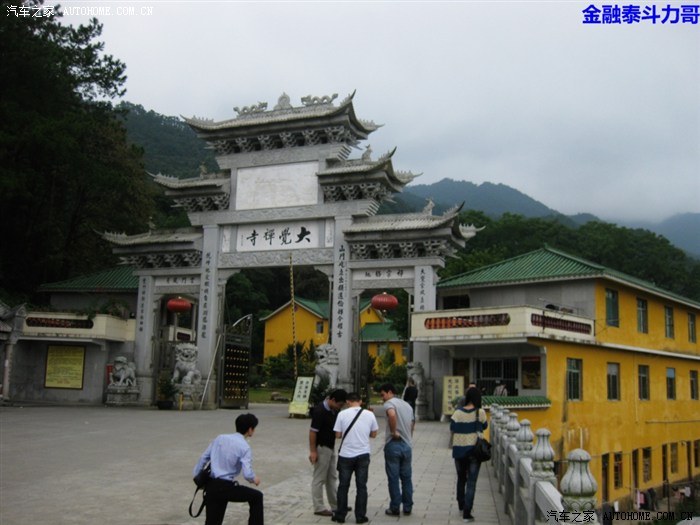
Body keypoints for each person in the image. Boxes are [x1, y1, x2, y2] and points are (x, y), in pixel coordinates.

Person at [193, 413, 263, 525]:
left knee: (212, 522)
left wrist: (197, 476)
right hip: (226, 487)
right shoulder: (244, 447)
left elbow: (204, 457)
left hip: (211, 485)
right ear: (250, 429)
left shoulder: (220, 438)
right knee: (257, 497)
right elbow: (247, 474)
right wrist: (254, 479)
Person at [332, 392, 379, 524]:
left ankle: (341, 515)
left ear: (348, 401)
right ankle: (360, 516)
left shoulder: (342, 414)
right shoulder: (370, 414)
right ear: (360, 401)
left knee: (343, 486)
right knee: (361, 486)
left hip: (346, 455)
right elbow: (374, 434)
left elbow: (338, 435)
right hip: (363, 454)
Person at [450, 387, 488, 523]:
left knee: (461, 478)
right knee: (471, 482)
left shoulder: (457, 413)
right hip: (474, 452)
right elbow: (485, 426)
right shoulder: (480, 412)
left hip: (459, 451)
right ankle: (467, 513)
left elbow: (452, 428)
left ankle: (461, 505)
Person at [309, 389, 347, 517]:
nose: (339, 408)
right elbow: (312, 432)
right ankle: (318, 507)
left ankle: (336, 505)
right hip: (321, 447)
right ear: (332, 400)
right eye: (339, 405)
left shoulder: (334, 410)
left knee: (332, 477)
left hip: (331, 447)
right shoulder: (320, 411)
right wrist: (313, 451)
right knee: (319, 478)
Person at [379, 383, 415, 517]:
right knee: (406, 478)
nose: (382, 398)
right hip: (407, 445)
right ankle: (407, 506)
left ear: (390, 392)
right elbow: (412, 422)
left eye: (383, 394)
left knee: (393, 477)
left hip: (394, 444)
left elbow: (392, 415)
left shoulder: (389, 404)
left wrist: (393, 431)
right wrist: (409, 436)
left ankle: (395, 507)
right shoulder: (407, 405)